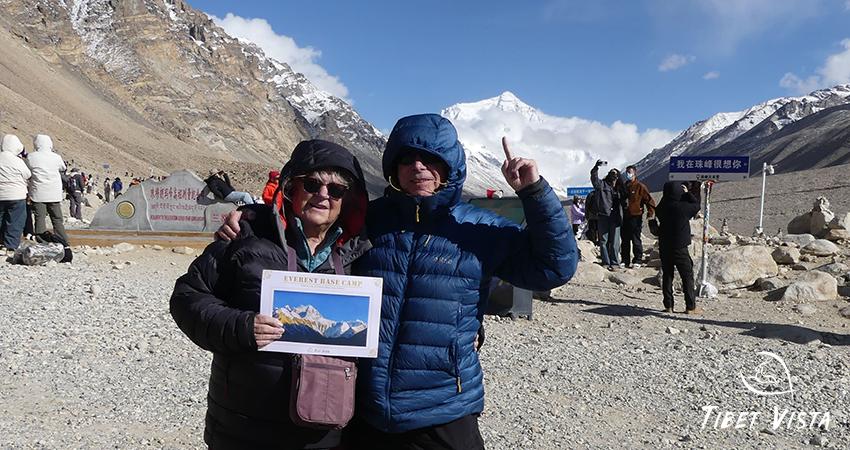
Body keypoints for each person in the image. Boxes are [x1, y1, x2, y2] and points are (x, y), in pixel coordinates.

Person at [217, 114, 577, 449]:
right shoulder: (368, 221)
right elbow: (308, 218)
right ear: (394, 169)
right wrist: (251, 218)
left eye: (430, 158)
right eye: (407, 159)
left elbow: (554, 268)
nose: (418, 167)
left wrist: (534, 192)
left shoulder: (481, 230)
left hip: (443, 406)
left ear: (451, 166)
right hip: (365, 407)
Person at [170, 139, 371, 449]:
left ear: (348, 200)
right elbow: (187, 297)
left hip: (322, 433)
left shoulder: (360, 255)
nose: (323, 195)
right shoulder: (246, 236)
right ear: (291, 187)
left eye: (336, 190)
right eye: (312, 184)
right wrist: (240, 326)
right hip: (243, 428)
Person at [655, 181, 701, 314]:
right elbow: (696, 205)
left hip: (664, 245)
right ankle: (690, 306)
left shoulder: (662, 208)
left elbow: (662, 203)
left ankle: (668, 305)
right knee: (687, 276)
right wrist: (687, 193)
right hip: (680, 247)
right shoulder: (683, 207)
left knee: (667, 275)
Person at [26, 134, 68, 244]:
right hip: (54, 193)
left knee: (40, 218)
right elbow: (63, 167)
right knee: (57, 219)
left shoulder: (31, 156)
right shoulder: (56, 157)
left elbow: (27, 170)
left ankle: (42, 241)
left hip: (38, 193)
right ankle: (63, 241)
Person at [0, 134, 32, 254]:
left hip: (1, 194)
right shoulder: (18, 161)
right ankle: (10, 246)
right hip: (16, 195)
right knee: (15, 220)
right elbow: (27, 174)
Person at [620, 165, 656, 268]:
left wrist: (650, 213)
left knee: (636, 239)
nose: (628, 174)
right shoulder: (624, 186)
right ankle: (625, 260)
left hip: (636, 216)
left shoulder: (640, 186)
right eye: (627, 172)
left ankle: (638, 260)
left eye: (630, 172)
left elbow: (649, 200)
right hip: (625, 216)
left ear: (635, 173)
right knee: (625, 240)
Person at [590, 161, 623, 270]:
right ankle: (605, 261)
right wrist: (596, 167)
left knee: (615, 241)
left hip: (616, 216)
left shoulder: (620, 188)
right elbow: (594, 178)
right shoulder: (601, 185)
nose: (613, 176)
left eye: (615, 174)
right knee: (603, 240)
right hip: (603, 215)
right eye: (611, 173)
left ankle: (614, 262)